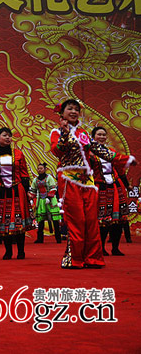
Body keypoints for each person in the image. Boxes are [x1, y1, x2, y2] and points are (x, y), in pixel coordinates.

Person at [51, 99, 136, 269]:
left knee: (91, 220)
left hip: (88, 181)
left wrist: (125, 160)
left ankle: (93, 258)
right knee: (77, 219)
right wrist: (65, 134)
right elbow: (58, 151)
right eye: (70, 108)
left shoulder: (83, 133)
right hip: (69, 178)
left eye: (76, 109)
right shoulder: (56, 132)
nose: (73, 111)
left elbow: (99, 149)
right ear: (62, 113)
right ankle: (74, 259)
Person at [0, 127, 33, 260]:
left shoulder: (18, 154)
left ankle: (21, 251)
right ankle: (8, 251)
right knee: (3, 221)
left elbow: (24, 174)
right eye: (4, 135)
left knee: (18, 221)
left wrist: (27, 191)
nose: (8, 138)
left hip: (17, 190)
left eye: (9, 135)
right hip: (0, 191)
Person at [91, 126, 131, 257]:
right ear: (93, 137)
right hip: (99, 188)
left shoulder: (111, 152)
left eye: (104, 135)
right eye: (99, 134)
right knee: (102, 220)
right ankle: (101, 248)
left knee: (118, 219)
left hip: (115, 188)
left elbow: (120, 170)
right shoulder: (89, 154)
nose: (102, 137)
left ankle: (115, 248)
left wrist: (127, 185)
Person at [29, 163, 61, 244]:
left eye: (41, 168)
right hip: (41, 201)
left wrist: (49, 197)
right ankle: (40, 238)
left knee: (55, 220)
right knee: (41, 221)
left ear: (45, 169)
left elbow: (53, 188)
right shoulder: (35, 180)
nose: (39, 170)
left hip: (51, 200)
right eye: (38, 168)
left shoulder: (49, 178)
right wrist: (30, 198)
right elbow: (33, 191)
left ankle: (58, 238)